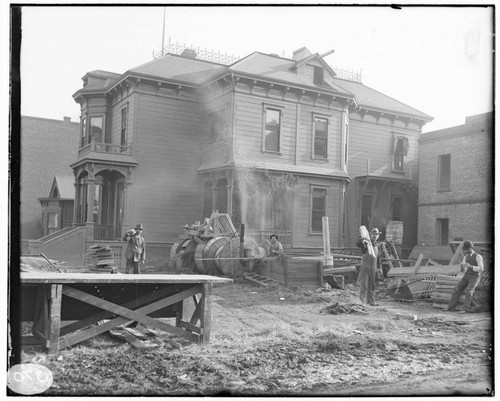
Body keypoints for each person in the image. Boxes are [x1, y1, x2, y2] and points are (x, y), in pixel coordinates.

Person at [446, 240, 484, 313]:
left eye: (467, 249)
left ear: (471, 248)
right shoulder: (466, 257)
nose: (466, 251)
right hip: (466, 276)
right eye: (465, 249)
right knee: (457, 288)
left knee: (468, 291)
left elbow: (481, 269)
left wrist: (471, 267)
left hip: (475, 277)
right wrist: (462, 267)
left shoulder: (478, 256)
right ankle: (450, 307)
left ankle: (464, 309)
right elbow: (463, 271)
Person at [355, 228, 382, 306]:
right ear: (370, 235)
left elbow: (378, 257)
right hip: (365, 266)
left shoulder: (377, 245)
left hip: (373, 267)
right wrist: (363, 239)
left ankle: (370, 302)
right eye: (374, 235)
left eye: (377, 235)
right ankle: (362, 303)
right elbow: (357, 243)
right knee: (364, 285)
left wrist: (379, 268)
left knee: (372, 285)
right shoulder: (366, 244)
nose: (375, 236)